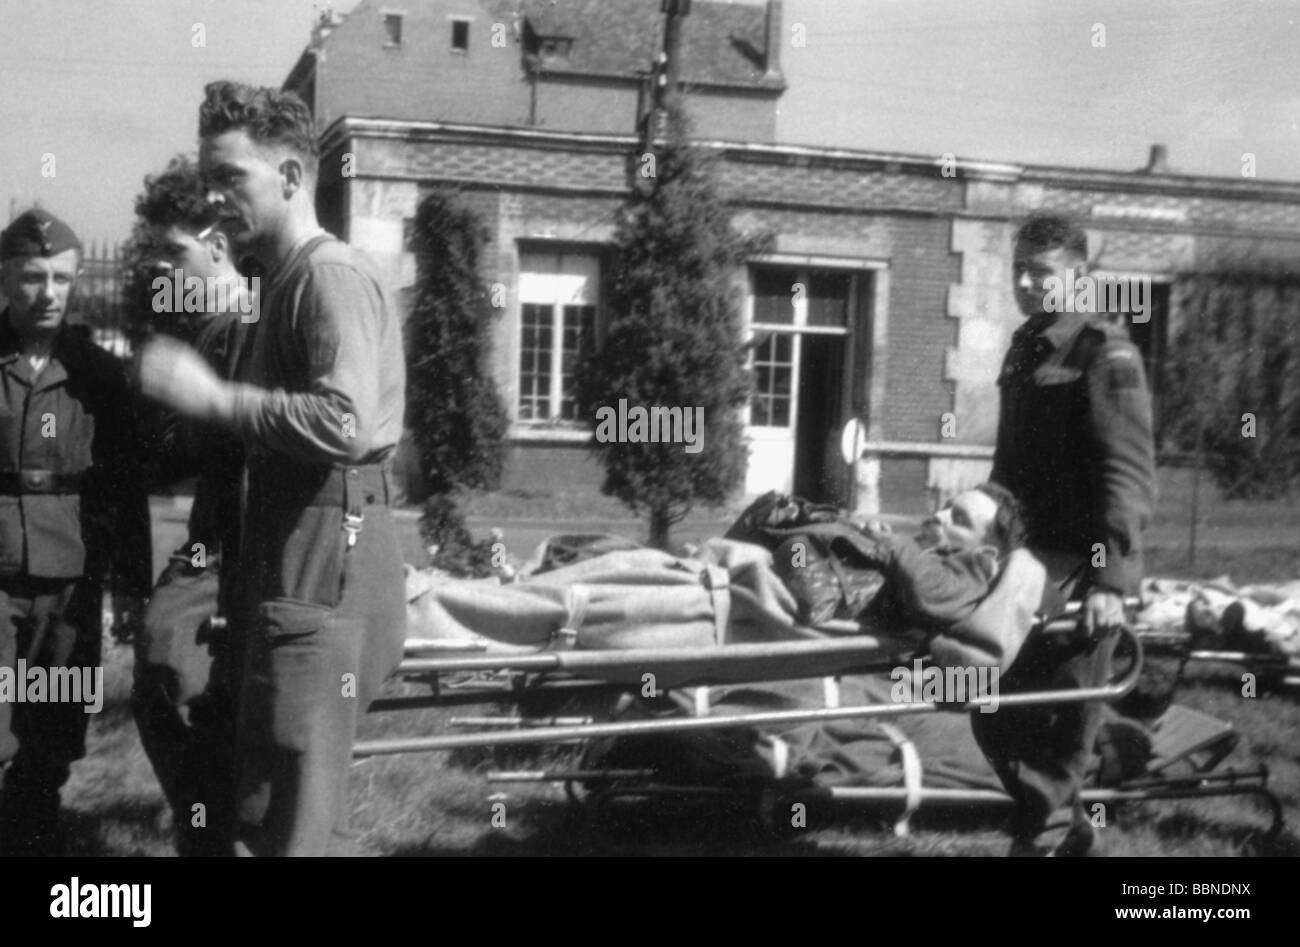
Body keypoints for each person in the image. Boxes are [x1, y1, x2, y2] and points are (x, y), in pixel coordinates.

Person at [138, 81, 408, 856]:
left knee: (293, 818)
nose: (215, 199)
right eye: (209, 178)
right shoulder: (278, 286)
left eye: (232, 178)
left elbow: (345, 422)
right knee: (277, 805)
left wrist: (217, 398)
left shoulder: (329, 277)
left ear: (290, 178)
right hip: (292, 557)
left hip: (326, 556)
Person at [973, 211, 1156, 857]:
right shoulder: (1025, 347)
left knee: (1060, 710)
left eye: (1040, 272)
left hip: (1081, 567)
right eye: (1018, 269)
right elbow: (1009, 465)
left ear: (1079, 276)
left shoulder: (1107, 352)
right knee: (988, 700)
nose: (1025, 282)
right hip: (1023, 562)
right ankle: (1097, 768)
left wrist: (1111, 580)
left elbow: (1128, 475)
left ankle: (1044, 837)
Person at [0, 208, 152, 856]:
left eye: (62, 278)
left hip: (71, 576)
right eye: (33, 277)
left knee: (55, 726)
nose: (49, 293)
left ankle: (32, 829)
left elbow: (125, 484)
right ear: (6, 279)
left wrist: (132, 586)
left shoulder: (98, 373)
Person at [131, 157, 249, 856]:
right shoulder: (204, 326)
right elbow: (183, 452)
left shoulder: (256, 319)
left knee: (172, 663)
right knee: (163, 669)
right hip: (212, 535)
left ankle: (213, 825)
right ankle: (206, 823)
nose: (165, 270)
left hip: (251, 539)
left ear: (216, 241)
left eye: (175, 252)